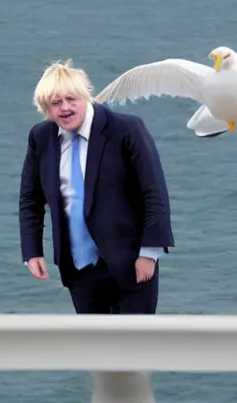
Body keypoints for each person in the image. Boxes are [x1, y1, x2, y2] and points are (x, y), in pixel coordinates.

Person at [19, 59, 175, 314]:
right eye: (56, 103)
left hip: (131, 263)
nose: (65, 108)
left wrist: (149, 253)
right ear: (45, 108)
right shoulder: (41, 137)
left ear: (86, 96)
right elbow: (30, 199)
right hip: (79, 267)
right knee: (93, 349)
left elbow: (154, 193)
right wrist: (32, 251)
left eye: (71, 99)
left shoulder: (126, 129)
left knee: (134, 347)